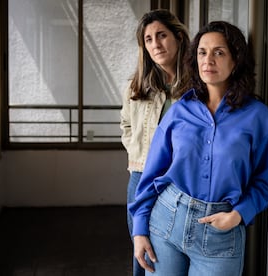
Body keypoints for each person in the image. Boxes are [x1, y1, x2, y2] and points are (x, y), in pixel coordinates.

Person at [128, 21, 268, 275]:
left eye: (219, 52)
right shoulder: (179, 111)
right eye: (202, 52)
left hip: (221, 233)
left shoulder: (258, 117)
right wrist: (139, 230)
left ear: (236, 60)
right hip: (167, 222)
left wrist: (238, 215)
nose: (208, 60)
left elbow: (261, 184)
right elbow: (151, 176)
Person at [120, 9, 190, 276]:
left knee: (170, 254)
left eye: (161, 35)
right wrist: (140, 155)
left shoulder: (198, 85)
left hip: (180, 181)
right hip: (141, 178)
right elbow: (125, 125)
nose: (155, 44)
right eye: (148, 39)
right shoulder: (136, 85)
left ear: (179, 37)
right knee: (142, 250)